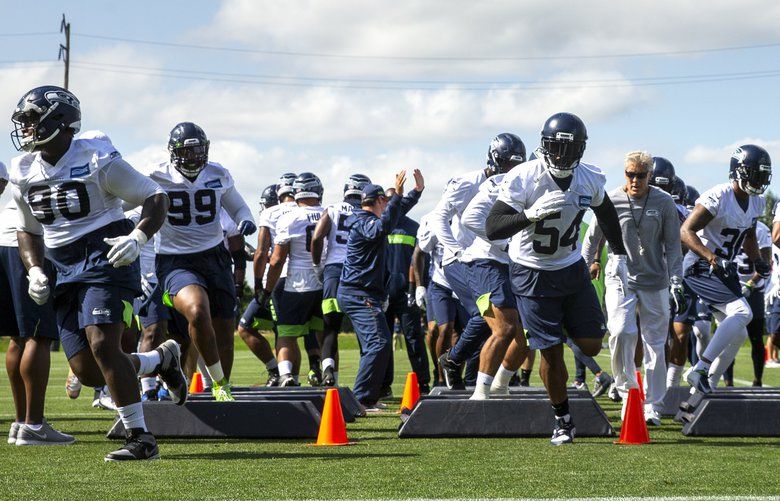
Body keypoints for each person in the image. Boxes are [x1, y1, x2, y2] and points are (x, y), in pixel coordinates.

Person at [10, 86, 185, 461]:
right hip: (60, 265)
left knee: (104, 343)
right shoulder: (23, 169)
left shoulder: (96, 157)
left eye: (31, 119)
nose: (25, 128)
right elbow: (28, 230)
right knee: (89, 371)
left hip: (106, 255)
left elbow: (155, 195)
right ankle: (160, 360)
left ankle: (142, 438)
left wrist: (138, 237)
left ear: (58, 120)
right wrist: (35, 270)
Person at [486, 112, 627, 445]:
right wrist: (530, 215)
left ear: (581, 149)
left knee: (592, 343)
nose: (562, 155)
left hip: (571, 267)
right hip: (531, 273)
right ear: (544, 146)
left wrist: (619, 254)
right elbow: (494, 227)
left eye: (571, 148)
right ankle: (563, 420)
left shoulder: (589, 178)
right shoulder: (524, 177)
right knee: (551, 354)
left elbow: (606, 214)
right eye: (556, 148)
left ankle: (556, 328)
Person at [150, 122, 256, 402]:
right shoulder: (156, 175)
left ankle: (222, 387)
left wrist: (246, 219)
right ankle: (216, 381)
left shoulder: (217, 173)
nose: (195, 156)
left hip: (215, 257)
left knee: (224, 329)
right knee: (197, 311)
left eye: (199, 150)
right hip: (175, 260)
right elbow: (131, 202)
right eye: (188, 151)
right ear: (174, 153)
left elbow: (238, 205)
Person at [582, 150, 683, 426]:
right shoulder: (610, 199)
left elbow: (674, 244)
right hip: (620, 278)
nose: (635, 180)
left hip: (655, 280)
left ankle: (652, 405)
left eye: (641, 175)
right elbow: (592, 238)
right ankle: (627, 393)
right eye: (630, 174)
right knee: (621, 332)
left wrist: (677, 281)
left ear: (650, 175)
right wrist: (584, 265)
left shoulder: (663, 203)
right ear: (624, 173)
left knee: (654, 342)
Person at [434, 134, 526, 389]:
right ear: (495, 159)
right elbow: (439, 217)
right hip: (462, 260)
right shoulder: (467, 182)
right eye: (508, 164)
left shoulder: (512, 184)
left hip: (491, 258)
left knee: (500, 321)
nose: (512, 170)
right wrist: (454, 250)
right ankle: (459, 365)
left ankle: (459, 365)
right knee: (487, 317)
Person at [680, 144, 771, 393]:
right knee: (743, 313)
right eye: (755, 174)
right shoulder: (719, 196)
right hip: (700, 266)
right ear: (738, 171)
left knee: (739, 334)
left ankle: (699, 392)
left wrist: (757, 260)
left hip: (722, 269)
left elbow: (749, 234)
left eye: (763, 176)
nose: (759, 181)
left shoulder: (756, 202)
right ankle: (700, 369)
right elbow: (685, 231)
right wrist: (711, 257)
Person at [337, 170, 423, 410]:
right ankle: (360, 400)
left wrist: (416, 192)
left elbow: (396, 212)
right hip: (357, 294)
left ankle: (368, 398)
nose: (388, 203)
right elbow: (383, 227)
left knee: (375, 344)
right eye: (385, 200)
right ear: (377, 201)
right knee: (378, 342)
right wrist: (398, 195)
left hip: (366, 293)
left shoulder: (372, 217)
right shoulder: (364, 221)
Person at [0, 161, 72, 445]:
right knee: (38, 335)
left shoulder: (24, 173)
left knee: (18, 337)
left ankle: (21, 423)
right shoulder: (56, 169)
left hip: (4, 241)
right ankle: (34, 424)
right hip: (28, 246)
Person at [458, 133, 530, 399]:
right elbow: (470, 218)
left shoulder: (528, 182)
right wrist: (503, 240)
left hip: (513, 264)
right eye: (510, 163)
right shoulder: (496, 184)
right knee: (505, 328)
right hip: (487, 261)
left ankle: (500, 384)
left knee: (528, 334)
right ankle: (480, 391)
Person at [260, 173, 325, 386]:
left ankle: (287, 375)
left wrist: (267, 289)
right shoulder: (329, 213)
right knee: (323, 332)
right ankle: (328, 375)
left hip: (297, 283)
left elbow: (277, 259)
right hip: (324, 282)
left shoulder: (289, 218)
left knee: (286, 334)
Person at [311, 174, 372, 386]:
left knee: (330, 328)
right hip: (359, 272)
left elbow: (317, 237)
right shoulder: (368, 213)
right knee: (366, 330)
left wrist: (318, 265)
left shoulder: (333, 209)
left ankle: (328, 370)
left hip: (334, 271)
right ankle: (367, 385)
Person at [383, 186, 430, 395]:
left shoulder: (414, 227)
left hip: (405, 293)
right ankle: (383, 386)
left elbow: (417, 260)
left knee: (414, 338)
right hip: (382, 293)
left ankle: (423, 383)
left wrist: (415, 288)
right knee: (382, 342)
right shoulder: (380, 226)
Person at [236, 183, 281, 386]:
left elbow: (270, 253)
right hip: (303, 281)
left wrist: (257, 281)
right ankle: (315, 370)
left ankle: (280, 373)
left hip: (276, 281)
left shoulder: (272, 214)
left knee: (246, 326)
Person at [725, 220, 771, 386]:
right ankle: (728, 381)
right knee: (728, 336)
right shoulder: (729, 222)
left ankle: (758, 380)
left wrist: (751, 283)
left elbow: (766, 262)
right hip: (730, 288)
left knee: (755, 337)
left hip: (754, 290)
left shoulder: (761, 229)